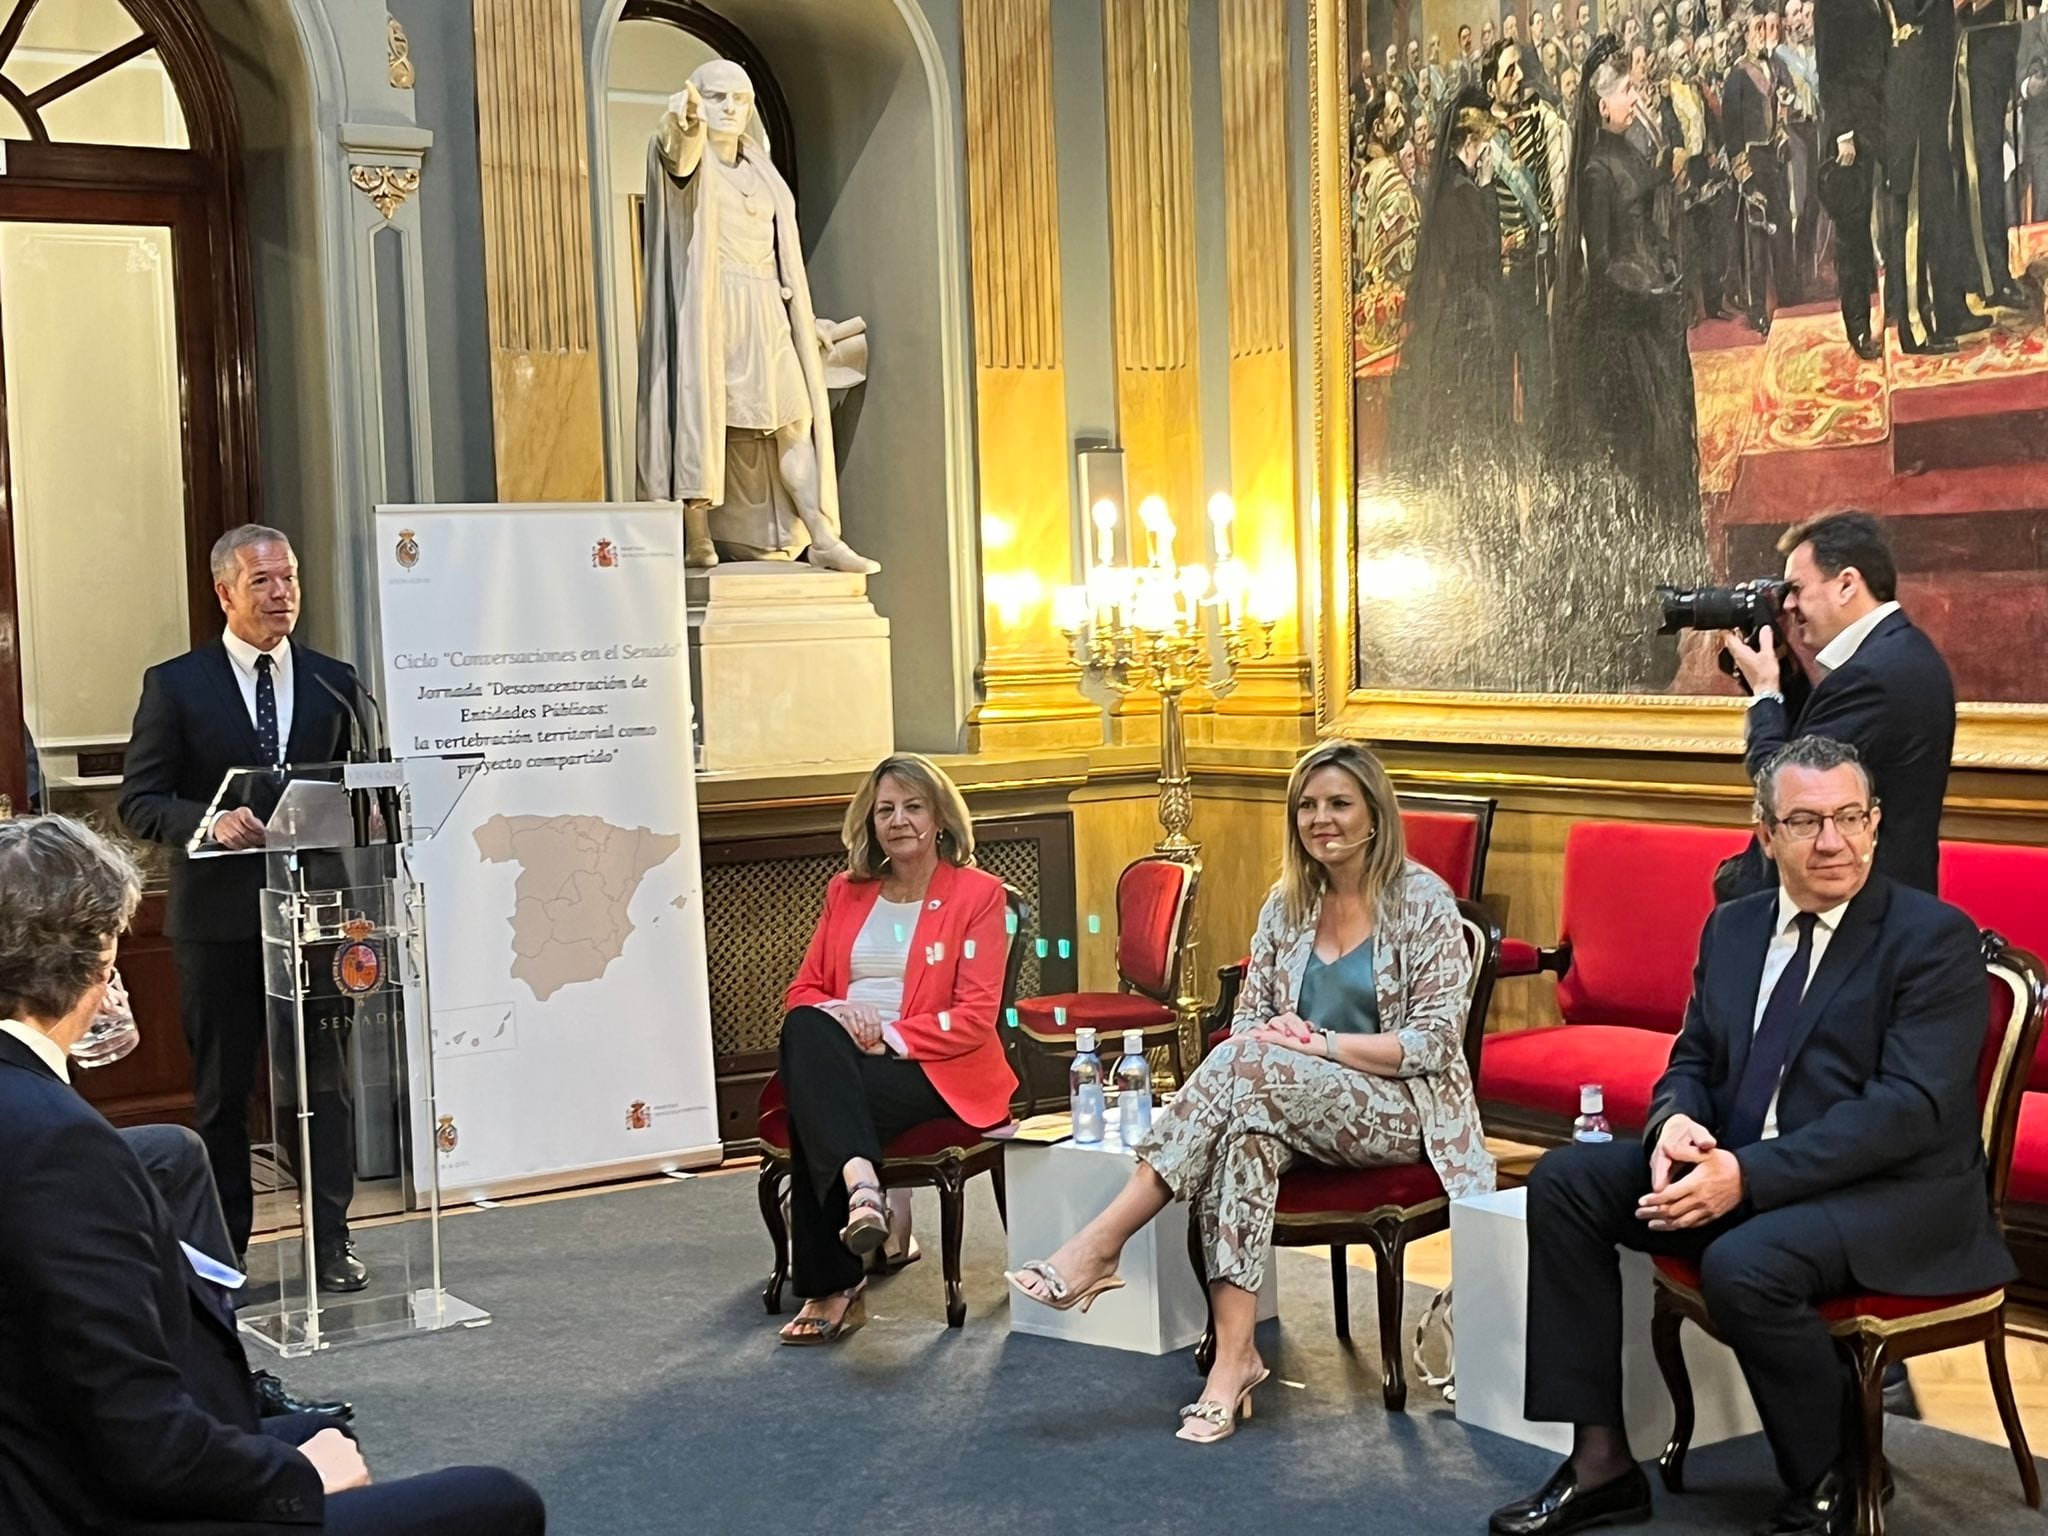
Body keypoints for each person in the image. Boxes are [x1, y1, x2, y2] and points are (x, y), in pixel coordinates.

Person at [1489, 735, 2009, 1536]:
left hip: (1892, 1194)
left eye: (1847, 818)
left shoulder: (1931, 938)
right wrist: (1677, 1123)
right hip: (1743, 1165)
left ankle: (1834, 1475)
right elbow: (1692, 1058)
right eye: (1804, 821)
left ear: (1875, 825)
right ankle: (1600, 1462)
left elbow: (1907, 1112)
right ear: (1765, 833)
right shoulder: (1733, 929)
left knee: (1744, 1263)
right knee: (1566, 1183)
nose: (1830, 841)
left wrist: (1747, 1175)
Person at [0, 814, 547, 1535]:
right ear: (98, 960)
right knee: (497, 1502)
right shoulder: (61, 1147)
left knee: (326, 1439)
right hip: (78, 1502)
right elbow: (142, 1444)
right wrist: (294, 1477)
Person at [1009, 741, 1494, 1442]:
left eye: (1338, 804)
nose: (1320, 819)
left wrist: (1320, 1046)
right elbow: (1248, 1022)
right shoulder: (1287, 904)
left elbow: (1434, 1045)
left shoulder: (1422, 901)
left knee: (1244, 1067)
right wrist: (1282, 1045)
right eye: (1306, 806)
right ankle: (1233, 1361)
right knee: (1245, 1137)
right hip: (1286, 1101)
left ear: (1374, 815)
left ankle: (1101, 1241)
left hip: (1402, 1108)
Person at [119, 524, 369, 1294]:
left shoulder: (335, 681)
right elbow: (140, 799)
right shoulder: (177, 684)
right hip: (220, 925)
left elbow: (362, 789)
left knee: (325, 1087)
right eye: (261, 581)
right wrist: (209, 821)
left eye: (288, 578)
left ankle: (331, 1242)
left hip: (319, 918)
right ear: (224, 591)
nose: (280, 594)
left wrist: (376, 814)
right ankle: (224, 1249)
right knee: (225, 1094)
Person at [773, 753, 1016, 1344]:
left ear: (939, 819)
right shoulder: (847, 892)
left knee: (816, 1104)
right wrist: (841, 1011)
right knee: (805, 1027)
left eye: (913, 807)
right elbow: (803, 989)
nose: (898, 820)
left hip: (932, 1068)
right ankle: (863, 1188)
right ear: (870, 821)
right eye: (886, 809)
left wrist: (886, 1033)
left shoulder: (977, 895)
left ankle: (833, 1287)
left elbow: (976, 1017)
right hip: (842, 1056)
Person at [636, 59, 878, 573]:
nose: (730, 108)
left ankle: (822, 534)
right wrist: (683, 122)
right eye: (717, 97)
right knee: (706, 423)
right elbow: (676, 154)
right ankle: (697, 535)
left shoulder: (760, 168)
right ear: (698, 101)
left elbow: (779, 248)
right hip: (712, 308)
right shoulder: (689, 158)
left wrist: (803, 321)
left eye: (740, 99)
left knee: (796, 421)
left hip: (767, 306)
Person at [1550, 36, 1706, 689]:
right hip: (1624, 338)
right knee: (1639, 468)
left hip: (1653, 321)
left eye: (1634, 90)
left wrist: (1666, 269)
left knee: (1664, 463)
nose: (1635, 97)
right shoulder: (1593, 173)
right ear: (1601, 103)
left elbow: (1648, 228)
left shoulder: (1631, 149)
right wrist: (1654, 287)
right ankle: (1641, 626)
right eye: (1624, 92)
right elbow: (1605, 262)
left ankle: (1672, 599)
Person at [1721, 510, 1956, 901]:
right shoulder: (1897, 653)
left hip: (1860, 917)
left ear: (1847, 584)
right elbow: (1812, 736)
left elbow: (1783, 782)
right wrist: (1781, 664)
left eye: (1795, 588)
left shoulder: (1875, 676)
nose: (1789, 605)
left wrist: (1766, 691)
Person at [1814, 0, 1887, 358]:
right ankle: (1857, 325)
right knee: (1852, 230)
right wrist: (1843, 131)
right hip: (1850, 129)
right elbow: (1827, 72)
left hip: (1877, 117)